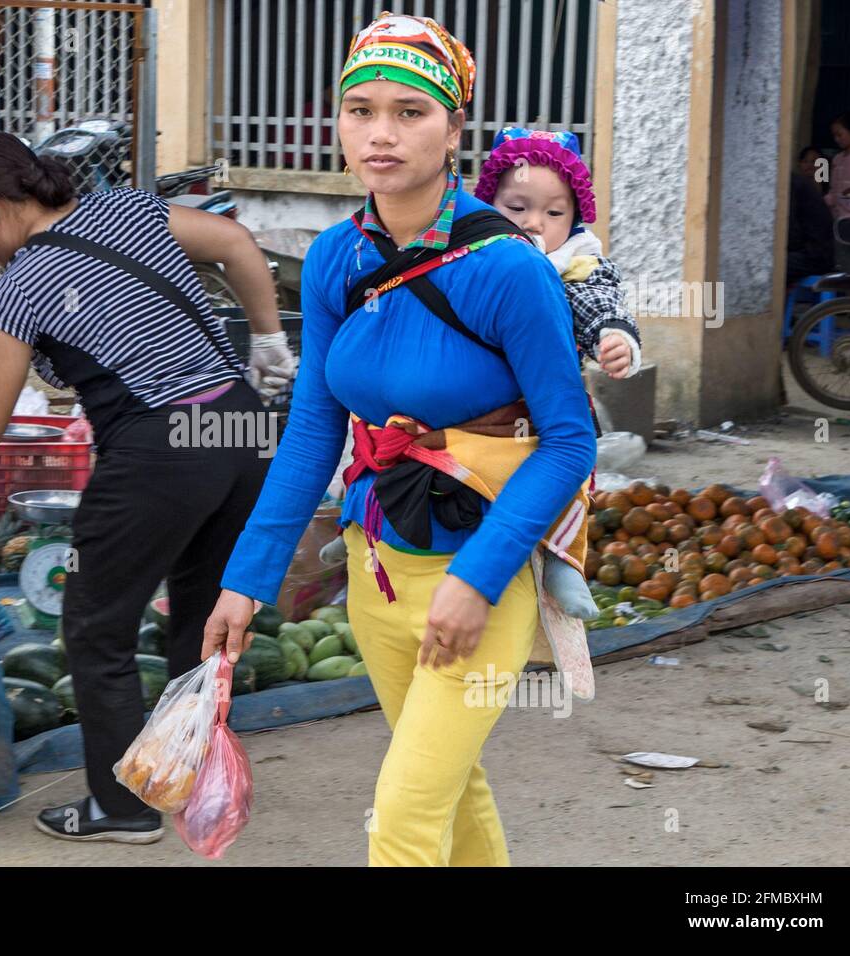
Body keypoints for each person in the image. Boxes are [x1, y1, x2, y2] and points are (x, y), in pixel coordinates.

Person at [204, 13, 596, 866]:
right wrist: (247, 578)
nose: (381, 133)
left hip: (480, 587)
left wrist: (478, 579)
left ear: (455, 127)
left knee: (402, 822)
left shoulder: (507, 267)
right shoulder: (335, 258)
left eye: (410, 112)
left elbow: (571, 442)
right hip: (377, 577)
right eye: (361, 109)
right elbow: (314, 428)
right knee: (450, 796)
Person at [0, 132, 291, 844]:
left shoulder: (18, 289)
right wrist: (268, 342)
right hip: (241, 431)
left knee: (96, 624)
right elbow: (234, 241)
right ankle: (184, 774)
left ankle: (121, 807)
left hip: (162, 451)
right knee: (199, 616)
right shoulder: (128, 210)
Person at [474, 125, 641, 620]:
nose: (534, 224)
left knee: (568, 460)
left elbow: (598, 301)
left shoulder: (574, 264)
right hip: (474, 402)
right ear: (488, 204)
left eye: (553, 212)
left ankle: (562, 560)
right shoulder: (466, 253)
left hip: (545, 406)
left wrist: (614, 337)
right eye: (516, 207)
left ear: (574, 218)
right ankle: (359, 520)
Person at [787, 145, 835, 285]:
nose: (809, 165)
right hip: (812, 249)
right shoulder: (798, 184)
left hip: (818, 254)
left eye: (814, 161)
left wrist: (819, 179)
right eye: (805, 161)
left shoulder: (809, 187)